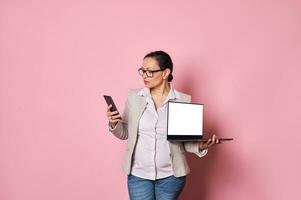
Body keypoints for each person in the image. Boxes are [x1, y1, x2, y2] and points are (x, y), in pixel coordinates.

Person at [106, 51, 219, 200]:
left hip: (171, 177)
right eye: (143, 71)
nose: (144, 75)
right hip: (138, 175)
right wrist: (114, 123)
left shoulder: (182, 100)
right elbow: (125, 133)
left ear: (166, 73)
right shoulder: (135, 97)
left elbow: (183, 141)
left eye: (150, 72)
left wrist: (201, 146)